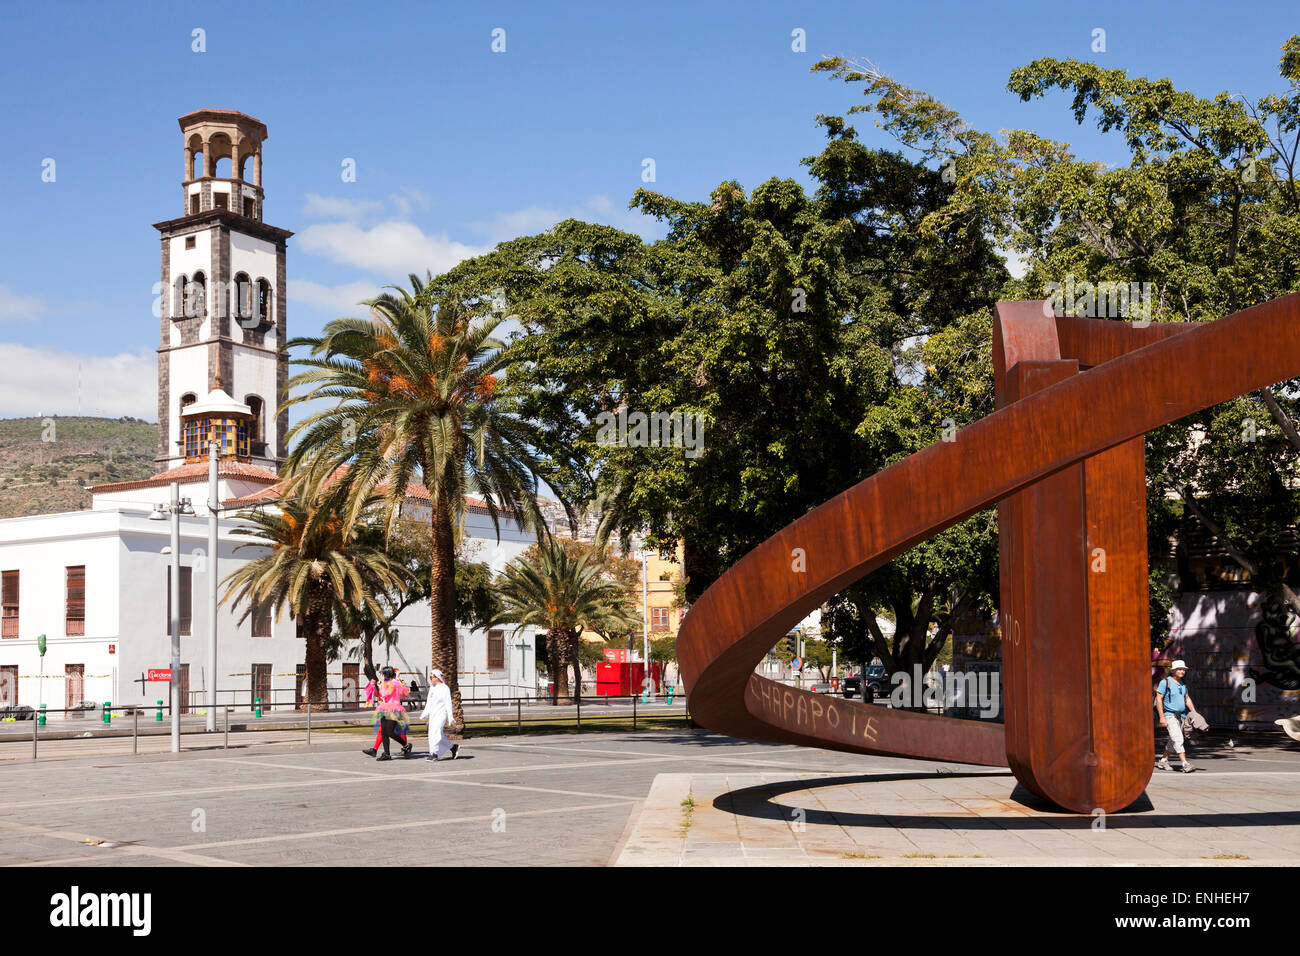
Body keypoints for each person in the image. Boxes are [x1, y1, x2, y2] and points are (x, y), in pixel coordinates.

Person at [1155, 659, 1199, 772]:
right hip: (1169, 715)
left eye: (1184, 669)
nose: (1182, 671)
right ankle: (1185, 764)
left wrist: (1194, 713)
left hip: (1181, 716)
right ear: (1173, 671)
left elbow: (1187, 699)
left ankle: (1163, 761)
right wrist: (1161, 717)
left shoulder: (1183, 683)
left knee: (1173, 740)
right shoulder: (1166, 682)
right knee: (1178, 739)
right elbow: (1159, 698)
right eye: (1180, 669)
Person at [362, 666, 413, 761]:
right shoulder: (388, 683)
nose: (381, 675)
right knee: (384, 732)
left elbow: (385, 694)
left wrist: (381, 685)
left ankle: (406, 745)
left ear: (386, 674)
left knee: (390, 732)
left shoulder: (394, 683)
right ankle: (387, 753)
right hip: (385, 708)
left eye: (382, 674)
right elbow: (381, 695)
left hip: (394, 709)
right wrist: (379, 685)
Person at [420, 668, 458, 761]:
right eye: (430, 677)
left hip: (441, 714)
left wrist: (450, 717)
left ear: (437, 677)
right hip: (433, 715)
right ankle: (453, 747)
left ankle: (434, 754)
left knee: (436, 733)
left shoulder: (444, 688)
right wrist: (425, 714)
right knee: (434, 734)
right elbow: (429, 703)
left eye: (431, 677)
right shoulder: (432, 688)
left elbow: (448, 703)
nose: (430, 678)